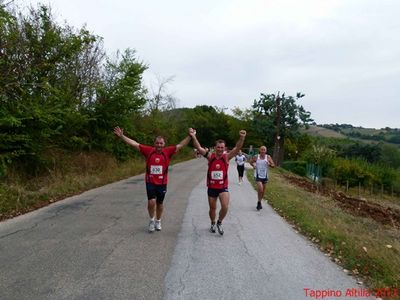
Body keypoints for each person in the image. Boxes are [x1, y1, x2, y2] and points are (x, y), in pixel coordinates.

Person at [113, 126, 194, 232]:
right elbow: (134, 144)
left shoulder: (168, 151)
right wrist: (122, 136)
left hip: (162, 183)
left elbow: (181, 145)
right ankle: (152, 220)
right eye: (157, 143)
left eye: (161, 143)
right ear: (154, 143)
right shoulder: (148, 151)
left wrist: (190, 136)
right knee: (151, 202)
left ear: (164, 144)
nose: (159, 145)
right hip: (150, 182)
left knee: (160, 203)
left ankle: (158, 221)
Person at [190, 130, 247, 235]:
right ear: (215, 147)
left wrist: (242, 138)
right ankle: (212, 222)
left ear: (224, 148)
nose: (220, 149)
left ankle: (219, 222)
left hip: (222, 187)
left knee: (225, 206)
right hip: (212, 187)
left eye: (222, 147)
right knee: (212, 208)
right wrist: (193, 136)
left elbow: (237, 148)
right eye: (218, 147)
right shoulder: (210, 156)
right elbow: (199, 148)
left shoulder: (226, 157)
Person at [251, 146, 275, 211]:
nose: (263, 151)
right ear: (259, 150)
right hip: (257, 175)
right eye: (261, 149)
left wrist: (269, 164)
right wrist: (253, 165)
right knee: (260, 189)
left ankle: (259, 201)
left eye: (264, 150)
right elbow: (251, 162)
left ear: (266, 151)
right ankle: (259, 202)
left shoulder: (268, 157)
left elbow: (273, 165)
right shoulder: (256, 156)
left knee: (263, 191)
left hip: (265, 176)